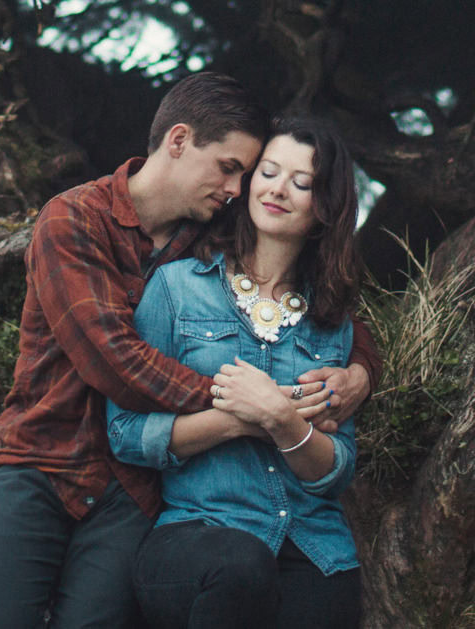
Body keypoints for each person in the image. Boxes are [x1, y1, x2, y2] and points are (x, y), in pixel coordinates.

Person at [0, 77, 379, 629]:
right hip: (42, 457)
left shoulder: (201, 233)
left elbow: (319, 305)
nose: (239, 188)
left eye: (245, 175)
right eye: (233, 168)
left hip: (128, 489)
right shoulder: (74, 220)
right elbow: (117, 361)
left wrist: (361, 372)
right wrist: (254, 407)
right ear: (179, 140)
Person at [107, 118, 368, 629]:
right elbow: (125, 433)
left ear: (324, 210)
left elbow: (337, 468)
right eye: (268, 172)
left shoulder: (332, 321)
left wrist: (282, 420)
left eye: (302, 182)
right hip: (197, 533)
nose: (278, 189)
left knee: (332, 596)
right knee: (240, 568)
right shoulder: (177, 288)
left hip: (314, 544)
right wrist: (242, 419)